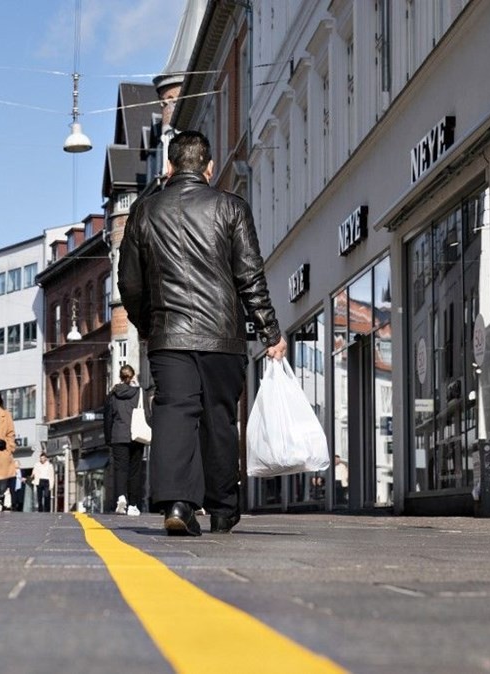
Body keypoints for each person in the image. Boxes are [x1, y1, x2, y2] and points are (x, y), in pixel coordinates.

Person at [118, 130, 287, 536]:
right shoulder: (231, 207)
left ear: (170, 167)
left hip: (169, 334)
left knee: (175, 413)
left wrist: (149, 326)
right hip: (223, 337)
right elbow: (250, 277)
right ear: (209, 168)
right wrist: (271, 332)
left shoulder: (145, 211)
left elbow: (130, 283)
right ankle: (224, 508)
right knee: (220, 420)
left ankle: (177, 503)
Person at [104, 364, 147, 516]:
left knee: (120, 469)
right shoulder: (140, 393)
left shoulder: (113, 394)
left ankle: (121, 498)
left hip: (118, 435)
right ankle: (133, 505)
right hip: (137, 436)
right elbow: (147, 415)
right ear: (133, 376)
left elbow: (108, 417)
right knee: (135, 471)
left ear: (120, 377)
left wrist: (109, 438)